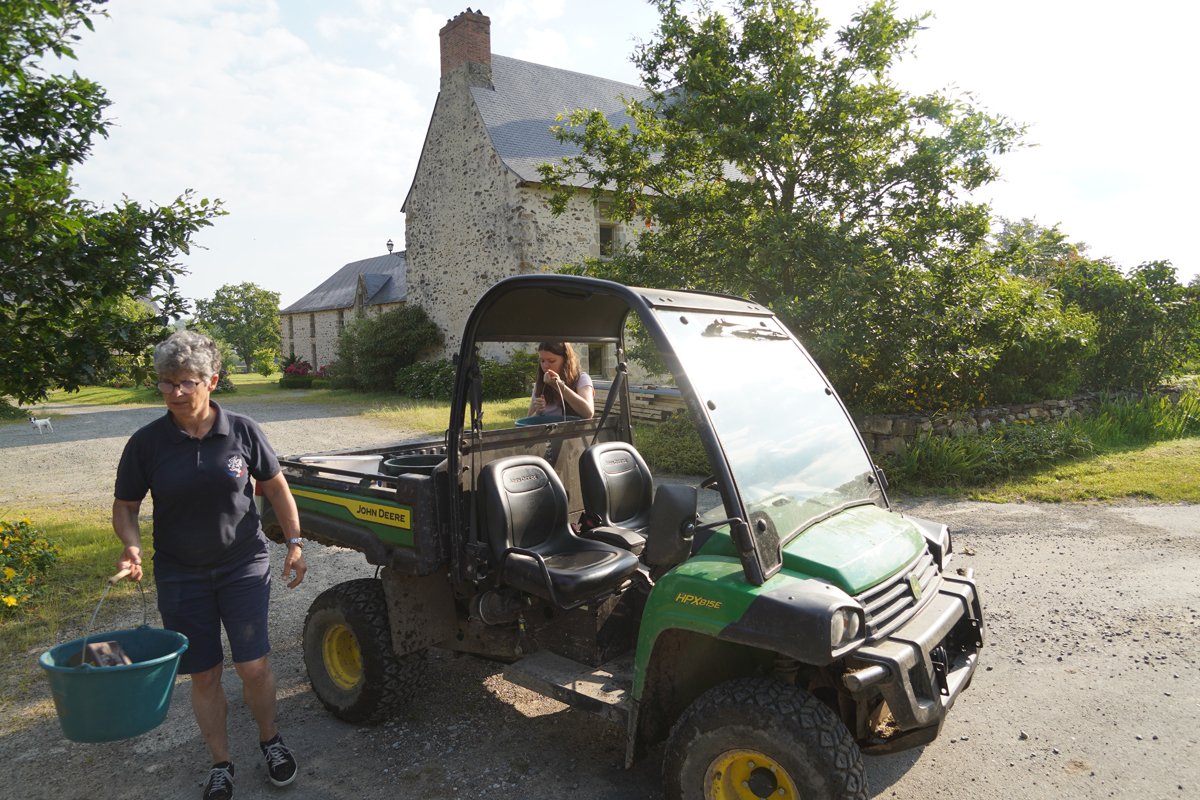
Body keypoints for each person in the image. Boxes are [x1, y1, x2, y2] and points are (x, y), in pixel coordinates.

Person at [112, 330, 306, 800]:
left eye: (187, 382)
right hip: (180, 573)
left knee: (253, 666)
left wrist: (295, 541)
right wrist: (131, 546)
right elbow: (126, 507)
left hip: (242, 564)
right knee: (204, 673)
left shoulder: (242, 431)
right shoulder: (146, 443)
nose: (175, 392)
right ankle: (221, 762)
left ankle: (270, 739)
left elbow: (276, 488)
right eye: (167, 382)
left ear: (211, 381)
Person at [528, 341, 595, 419]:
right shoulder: (540, 384)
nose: (545, 366)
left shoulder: (581, 379)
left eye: (551, 361)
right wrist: (538, 412)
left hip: (571, 426)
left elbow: (588, 413)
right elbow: (528, 420)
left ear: (566, 360)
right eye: (542, 361)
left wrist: (558, 385)